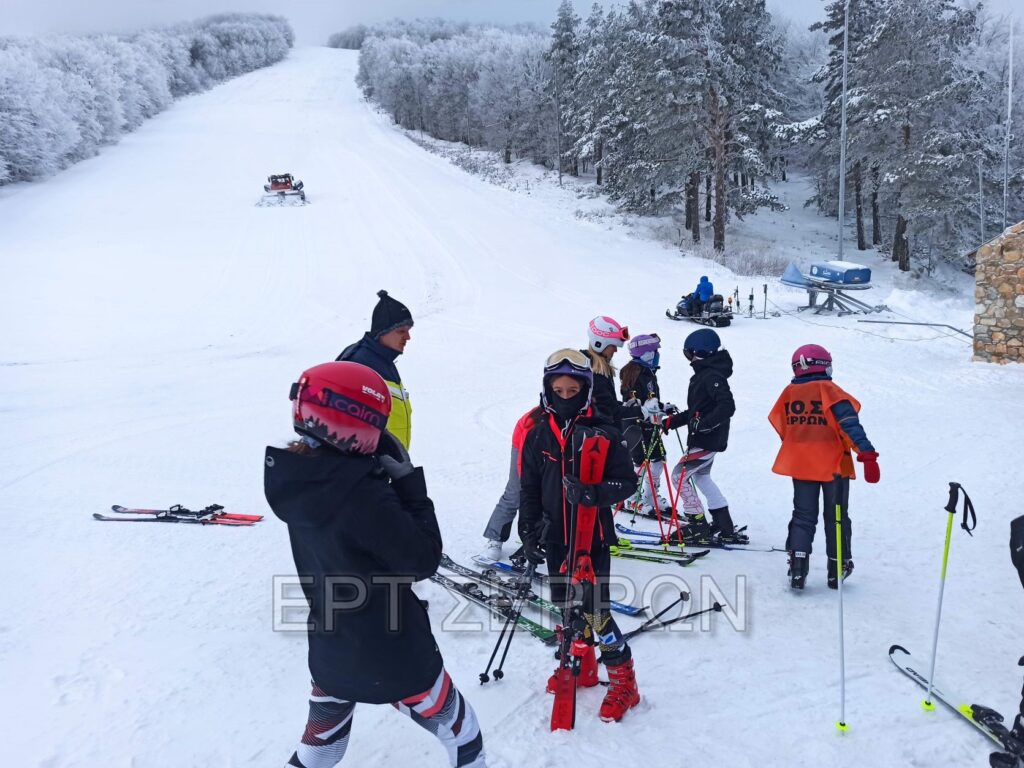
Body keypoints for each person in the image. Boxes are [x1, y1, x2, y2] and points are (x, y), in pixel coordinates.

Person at [265, 361, 485, 768]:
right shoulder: (362, 497)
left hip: (332, 648)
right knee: (464, 735)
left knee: (320, 746)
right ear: (358, 423)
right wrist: (408, 486)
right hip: (395, 653)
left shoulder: (295, 479)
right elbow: (423, 559)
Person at [518, 349, 640, 723]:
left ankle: (625, 682)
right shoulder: (538, 433)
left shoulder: (604, 429)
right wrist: (528, 529)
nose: (566, 396)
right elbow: (529, 486)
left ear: (586, 390)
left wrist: (595, 493)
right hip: (556, 535)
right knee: (567, 606)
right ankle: (583, 664)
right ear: (548, 389)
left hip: (592, 537)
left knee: (596, 610)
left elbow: (627, 483)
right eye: (559, 390)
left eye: (573, 390)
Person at [477, 315, 629, 563]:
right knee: (519, 489)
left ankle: (550, 539)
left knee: (560, 492)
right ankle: (495, 538)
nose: (615, 351)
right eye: (613, 345)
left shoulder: (600, 372)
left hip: (576, 440)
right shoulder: (585, 369)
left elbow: (605, 412)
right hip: (531, 434)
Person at [768, 344, 879, 590]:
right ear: (822, 365)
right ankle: (837, 566)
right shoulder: (829, 390)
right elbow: (849, 424)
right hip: (833, 466)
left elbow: (785, 427)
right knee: (836, 516)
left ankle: (797, 567)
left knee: (803, 515)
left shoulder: (789, 393)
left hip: (801, 465)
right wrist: (867, 454)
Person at [662, 328, 740, 542]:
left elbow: (727, 406)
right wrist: (672, 422)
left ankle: (697, 524)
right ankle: (724, 525)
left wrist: (705, 425)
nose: (688, 358)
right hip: (706, 437)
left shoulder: (712, 376)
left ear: (700, 353)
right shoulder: (704, 375)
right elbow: (698, 410)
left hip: (708, 439)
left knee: (678, 476)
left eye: (689, 353)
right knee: (702, 477)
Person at [337, 290, 414, 449]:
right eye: (401, 331)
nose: (408, 337)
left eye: (408, 331)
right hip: (373, 464)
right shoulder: (359, 363)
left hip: (390, 463)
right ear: (382, 332)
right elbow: (344, 424)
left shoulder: (384, 361)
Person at [478, 408, 538, 562]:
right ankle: (494, 539)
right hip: (525, 442)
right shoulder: (535, 421)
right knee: (515, 492)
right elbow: (521, 468)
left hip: (555, 447)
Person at [619, 334, 670, 514]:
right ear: (647, 353)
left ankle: (651, 496)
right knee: (640, 462)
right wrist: (646, 407)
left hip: (651, 425)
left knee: (658, 461)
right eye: (655, 351)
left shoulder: (649, 373)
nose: (657, 354)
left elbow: (651, 400)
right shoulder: (632, 372)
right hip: (636, 425)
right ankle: (631, 498)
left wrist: (663, 407)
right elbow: (631, 400)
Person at [583, 315, 629, 418]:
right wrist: (641, 411)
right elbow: (610, 411)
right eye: (613, 345)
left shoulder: (595, 367)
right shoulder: (594, 375)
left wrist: (626, 406)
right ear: (599, 344)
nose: (615, 350)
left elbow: (608, 403)